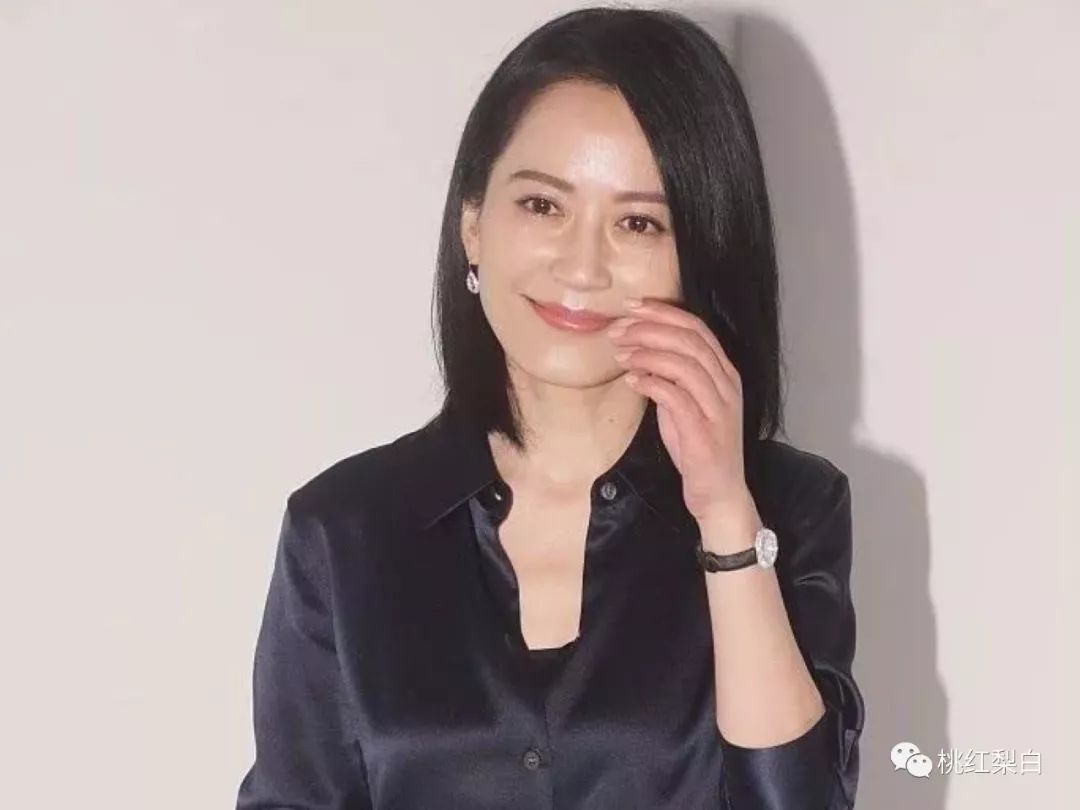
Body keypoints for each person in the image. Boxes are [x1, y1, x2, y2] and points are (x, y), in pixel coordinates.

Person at [235, 6, 864, 809]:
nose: (582, 265)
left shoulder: (787, 507)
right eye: (543, 206)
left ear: (699, 255)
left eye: (638, 222)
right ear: (473, 225)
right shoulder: (343, 529)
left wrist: (725, 519)